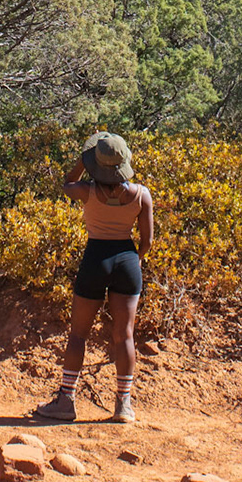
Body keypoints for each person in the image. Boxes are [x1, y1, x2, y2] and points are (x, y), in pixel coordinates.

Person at [34, 131, 154, 424]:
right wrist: (135, 259)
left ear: (96, 165)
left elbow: (67, 183)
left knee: (78, 334)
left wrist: (84, 161)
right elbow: (147, 241)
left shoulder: (86, 190)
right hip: (126, 261)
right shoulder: (141, 194)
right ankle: (123, 405)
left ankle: (66, 400)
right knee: (124, 335)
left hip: (95, 258)